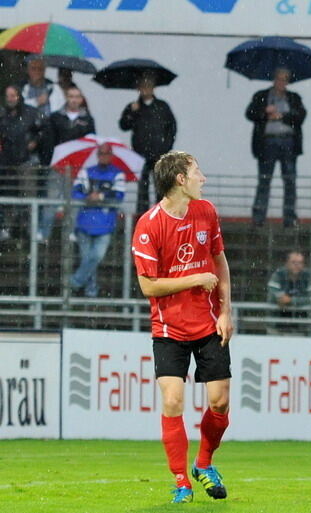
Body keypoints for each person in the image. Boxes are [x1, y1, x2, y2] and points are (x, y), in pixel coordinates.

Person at [130, 151, 234, 504]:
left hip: (208, 324)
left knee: (220, 403)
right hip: (168, 329)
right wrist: (194, 278)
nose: (202, 178)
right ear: (180, 180)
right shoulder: (149, 225)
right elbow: (148, 287)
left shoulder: (206, 212)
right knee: (173, 401)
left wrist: (225, 311)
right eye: (197, 172)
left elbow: (220, 262)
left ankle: (203, 464)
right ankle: (181, 482)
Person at [246, 68, 306, 228]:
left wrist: (283, 116)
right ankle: (258, 218)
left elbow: (300, 116)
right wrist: (264, 112)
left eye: (284, 79)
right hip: (267, 143)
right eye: (279, 79)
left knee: (290, 181)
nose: (281, 82)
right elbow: (250, 113)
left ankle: (289, 218)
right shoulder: (262, 96)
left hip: (288, 143)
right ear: (274, 79)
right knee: (264, 180)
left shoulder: (293, 98)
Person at [39, 86, 96, 242]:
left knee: (75, 202)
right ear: (66, 97)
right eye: (71, 96)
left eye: (77, 96)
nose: (73, 99)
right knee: (51, 201)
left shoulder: (87, 120)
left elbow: (90, 145)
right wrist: (50, 161)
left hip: (78, 168)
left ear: (81, 99)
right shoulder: (56, 117)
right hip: (58, 166)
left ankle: (71, 232)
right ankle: (44, 233)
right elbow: (49, 142)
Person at [69, 144, 124, 298]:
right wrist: (88, 197)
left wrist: (101, 197)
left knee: (95, 257)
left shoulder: (117, 174)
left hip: (105, 223)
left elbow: (119, 196)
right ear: (97, 155)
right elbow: (75, 193)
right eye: (101, 153)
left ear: (111, 156)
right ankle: (91, 290)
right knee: (88, 259)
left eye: (107, 154)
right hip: (85, 222)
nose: (104, 156)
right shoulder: (86, 172)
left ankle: (75, 282)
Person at [120, 76, 177, 215]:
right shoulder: (133, 106)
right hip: (140, 154)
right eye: (143, 86)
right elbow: (123, 125)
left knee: (161, 188)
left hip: (159, 154)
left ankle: (162, 216)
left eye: (148, 85)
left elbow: (172, 128)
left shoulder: (162, 106)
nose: (146, 89)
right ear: (138, 88)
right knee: (142, 189)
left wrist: (166, 148)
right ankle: (142, 217)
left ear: (153, 88)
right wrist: (131, 113)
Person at [0, 85, 44, 241]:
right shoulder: (3, 114)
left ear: (19, 96)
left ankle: (31, 227)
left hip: (27, 161)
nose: (10, 98)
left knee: (29, 195)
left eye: (13, 95)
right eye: (8, 95)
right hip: (7, 161)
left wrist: (34, 142)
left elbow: (42, 131)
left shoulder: (31, 113)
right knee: (8, 194)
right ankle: (7, 227)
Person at [266, 250, 311, 334]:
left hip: (301, 326)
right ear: (287, 263)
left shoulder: (307, 276)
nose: (297, 265)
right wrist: (281, 298)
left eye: (300, 262)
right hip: (276, 324)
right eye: (293, 262)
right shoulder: (278, 274)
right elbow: (271, 296)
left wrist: (290, 300)